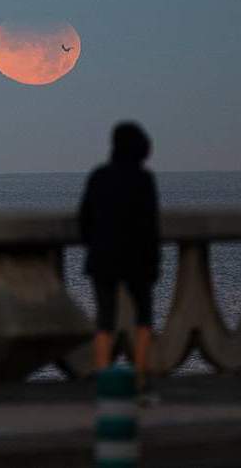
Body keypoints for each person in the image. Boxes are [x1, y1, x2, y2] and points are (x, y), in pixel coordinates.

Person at [79, 121, 160, 394]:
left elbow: (85, 220)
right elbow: (151, 225)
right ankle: (139, 375)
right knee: (144, 316)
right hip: (138, 257)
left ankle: (103, 374)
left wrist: (93, 244)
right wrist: (154, 262)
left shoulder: (99, 177)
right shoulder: (144, 179)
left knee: (105, 318)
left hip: (103, 257)